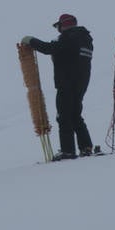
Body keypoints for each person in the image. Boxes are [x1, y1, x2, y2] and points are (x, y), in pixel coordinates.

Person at [21, 13, 100, 160]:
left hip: (67, 83)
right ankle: (86, 147)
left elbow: (48, 48)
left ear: (63, 26)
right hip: (81, 83)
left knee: (64, 116)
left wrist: (31, 41)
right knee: (75, 115)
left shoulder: (70, 37)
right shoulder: (85, 39)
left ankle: (68, 151)